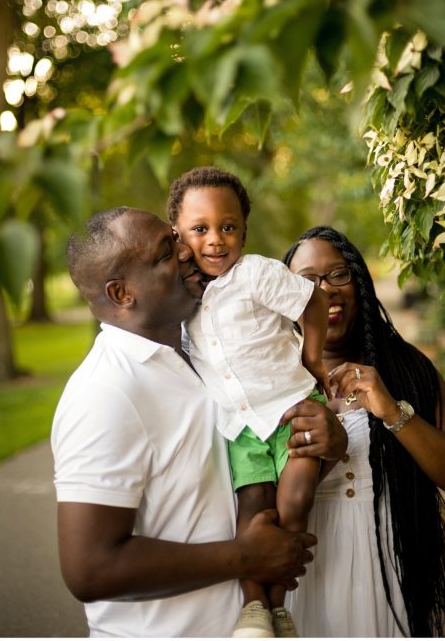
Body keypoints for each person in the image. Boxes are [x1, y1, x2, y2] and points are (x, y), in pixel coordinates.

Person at [52, 207, 346, 637]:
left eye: (175, 237)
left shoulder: (201, 356)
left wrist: (328, 449)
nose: (188, 251)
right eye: (165, 253)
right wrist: (244, 557)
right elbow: (89, 569)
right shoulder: (105, 393)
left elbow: (251, 472)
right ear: (121, 294)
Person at [282, 225, 445, 637]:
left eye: (338, 274)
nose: (324, 291)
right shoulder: (269, 384)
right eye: (305, 281)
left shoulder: (410, 370)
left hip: (396, 570)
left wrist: (391, 413)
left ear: (360, 284)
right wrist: (328, 454)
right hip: (310, 577)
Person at [167, 166, 332, 638]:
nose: (216, 240)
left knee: (296, 500)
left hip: (291, 409)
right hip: (240, 426)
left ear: (244, 228)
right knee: (252, 512)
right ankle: (254, 607)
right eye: (200, 229)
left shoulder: (257, 273)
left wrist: (314, 358)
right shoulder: (183, 297)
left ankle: (280, 606)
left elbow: (314, 304)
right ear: (179, 233)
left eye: (229, 226)